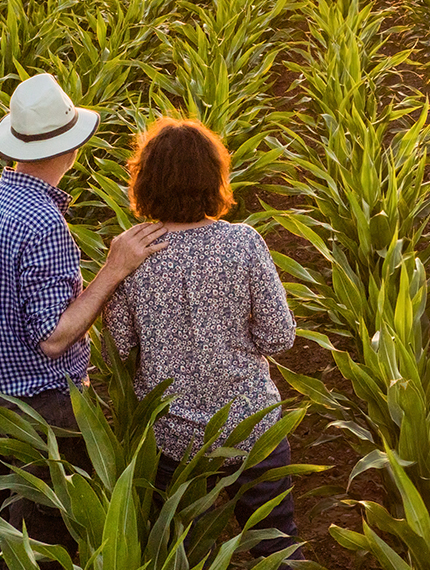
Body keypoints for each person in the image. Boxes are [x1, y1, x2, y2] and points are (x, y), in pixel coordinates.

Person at [0, 72, 168, 543]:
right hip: (43, 412)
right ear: (70, 148)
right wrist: (113, 269)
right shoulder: (43, 223)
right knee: (50, 537)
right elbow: (54, 337)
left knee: (7, 533)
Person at [103, 117, 301, 558]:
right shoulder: (244, 243)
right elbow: (279, 336)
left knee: (182, 554)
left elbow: (117, 351)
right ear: (215, 176)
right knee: (278, 544)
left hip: (174, 440)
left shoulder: (134, 252)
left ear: (145, 182)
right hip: (253, 427)